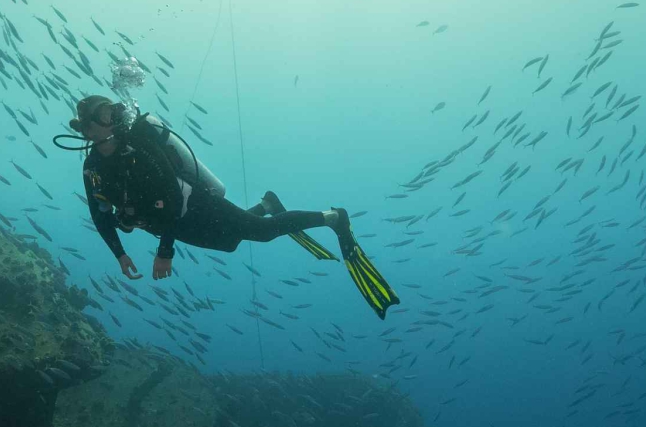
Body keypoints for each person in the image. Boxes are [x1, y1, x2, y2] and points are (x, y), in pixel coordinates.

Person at [67, 95, 399, 318]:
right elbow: (100, 215)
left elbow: (169, 194)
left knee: (263, 234)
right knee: (230, 243)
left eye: (105, 114)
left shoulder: (139, 147)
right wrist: (120, 254)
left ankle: (334, 218)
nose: (97, 123)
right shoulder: (92, 166)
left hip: (194, 203)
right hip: (168, 223)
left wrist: (164, 251)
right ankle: (266, 204)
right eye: (91, 119)